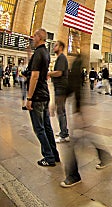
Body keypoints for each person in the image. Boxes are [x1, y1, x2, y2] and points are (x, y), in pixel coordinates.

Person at [25, 28, 60, 166]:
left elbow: (35, 76)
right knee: (47, 127)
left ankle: (49, 157)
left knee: (39, 128)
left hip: (38, 96)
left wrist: (29, 99)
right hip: (45, 95)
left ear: (39, 37)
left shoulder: (39, 53)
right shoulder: (45, 53)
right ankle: (54, 155)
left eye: (34, 36)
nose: (32, 38)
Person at [48, 41, 70, 143]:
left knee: (60, 110)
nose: (54, 47)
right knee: (61, 110)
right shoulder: (60, 58)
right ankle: (64, 130)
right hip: (60, 87)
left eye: (56, 45)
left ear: (61, 47)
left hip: (61, 87)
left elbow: (59, 73)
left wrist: (48, 73)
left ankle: (64, 135)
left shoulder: (61, 58)